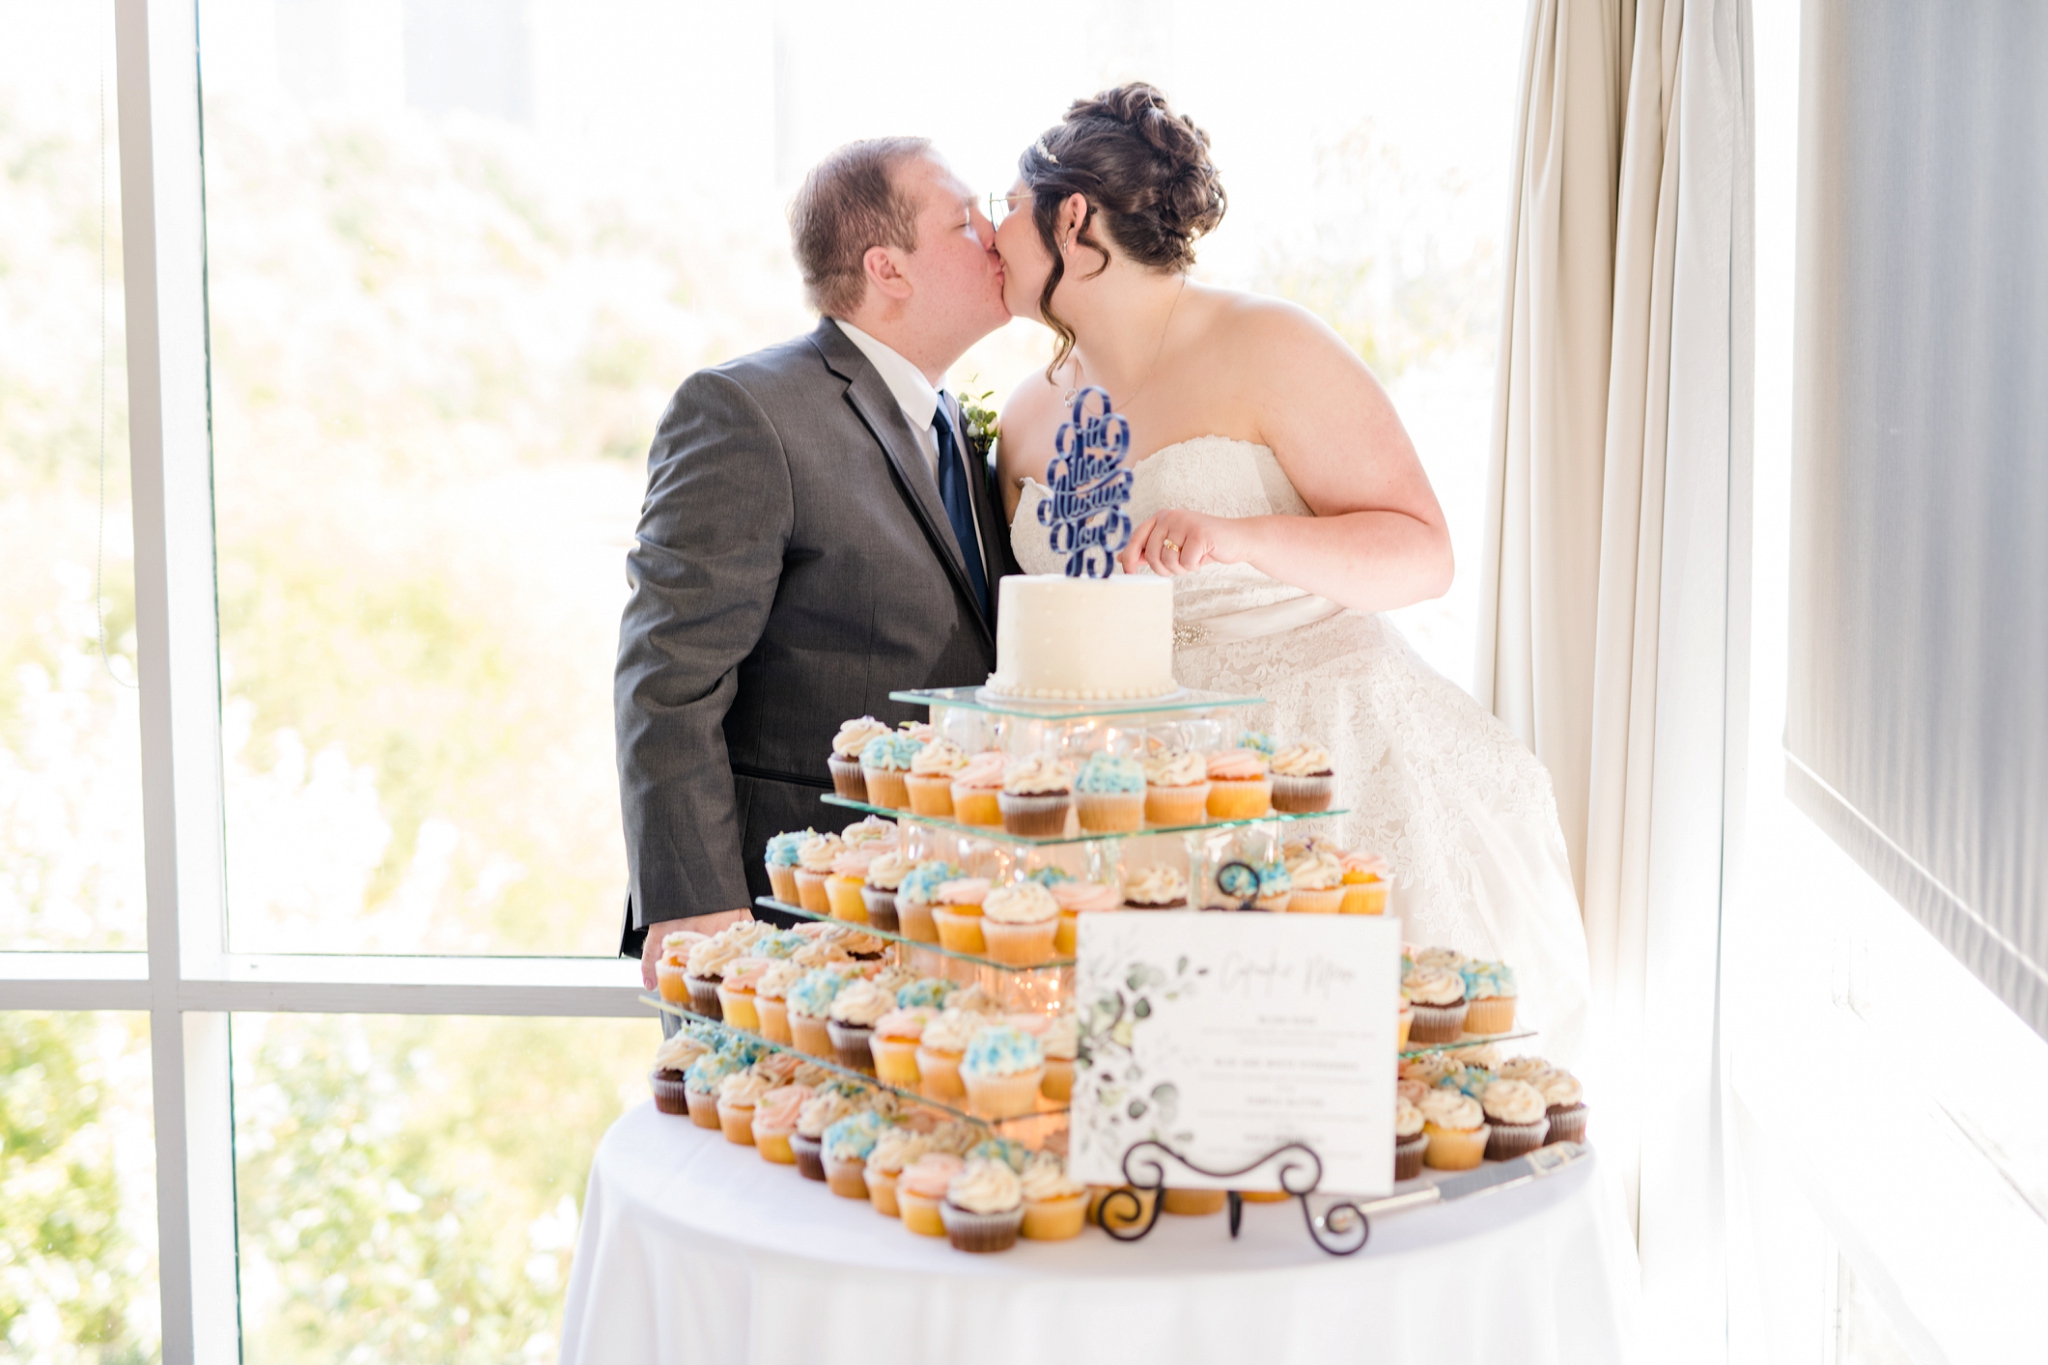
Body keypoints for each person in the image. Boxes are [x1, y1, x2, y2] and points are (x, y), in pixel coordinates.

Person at [994, 86, 1592, 1060]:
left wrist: (1242, 537)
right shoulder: (1025, 418)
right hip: (1129, 789)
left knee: (1352, 1078)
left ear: (1072, 218)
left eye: (1006, 207)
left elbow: (1423, 552)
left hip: (1326, 750)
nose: (991, 231)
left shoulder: (1269, 345)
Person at [616, 138, 1013, 989]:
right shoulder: (746, 411)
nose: (996, 234)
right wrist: (696, 904)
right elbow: (667, 674)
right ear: (887, 268)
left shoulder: (960, 428)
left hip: (942, 916)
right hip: (781, 926)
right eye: (964, 220)